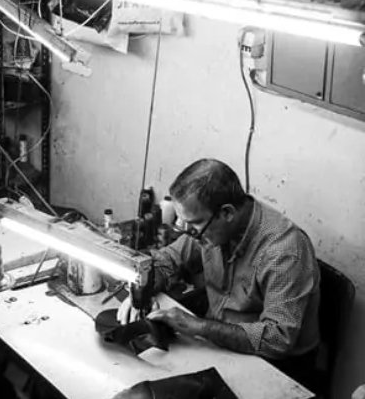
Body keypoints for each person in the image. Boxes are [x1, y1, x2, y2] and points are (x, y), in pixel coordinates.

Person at [120, 158, 321, 388]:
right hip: (219, 342)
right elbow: (169, 259)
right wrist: (144, 287)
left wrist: (199, 326)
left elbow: (277, 339)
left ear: (227, 213)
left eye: (194, 227)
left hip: (277, 367)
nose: (189, 233)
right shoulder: (212, 226)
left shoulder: (284, 251)